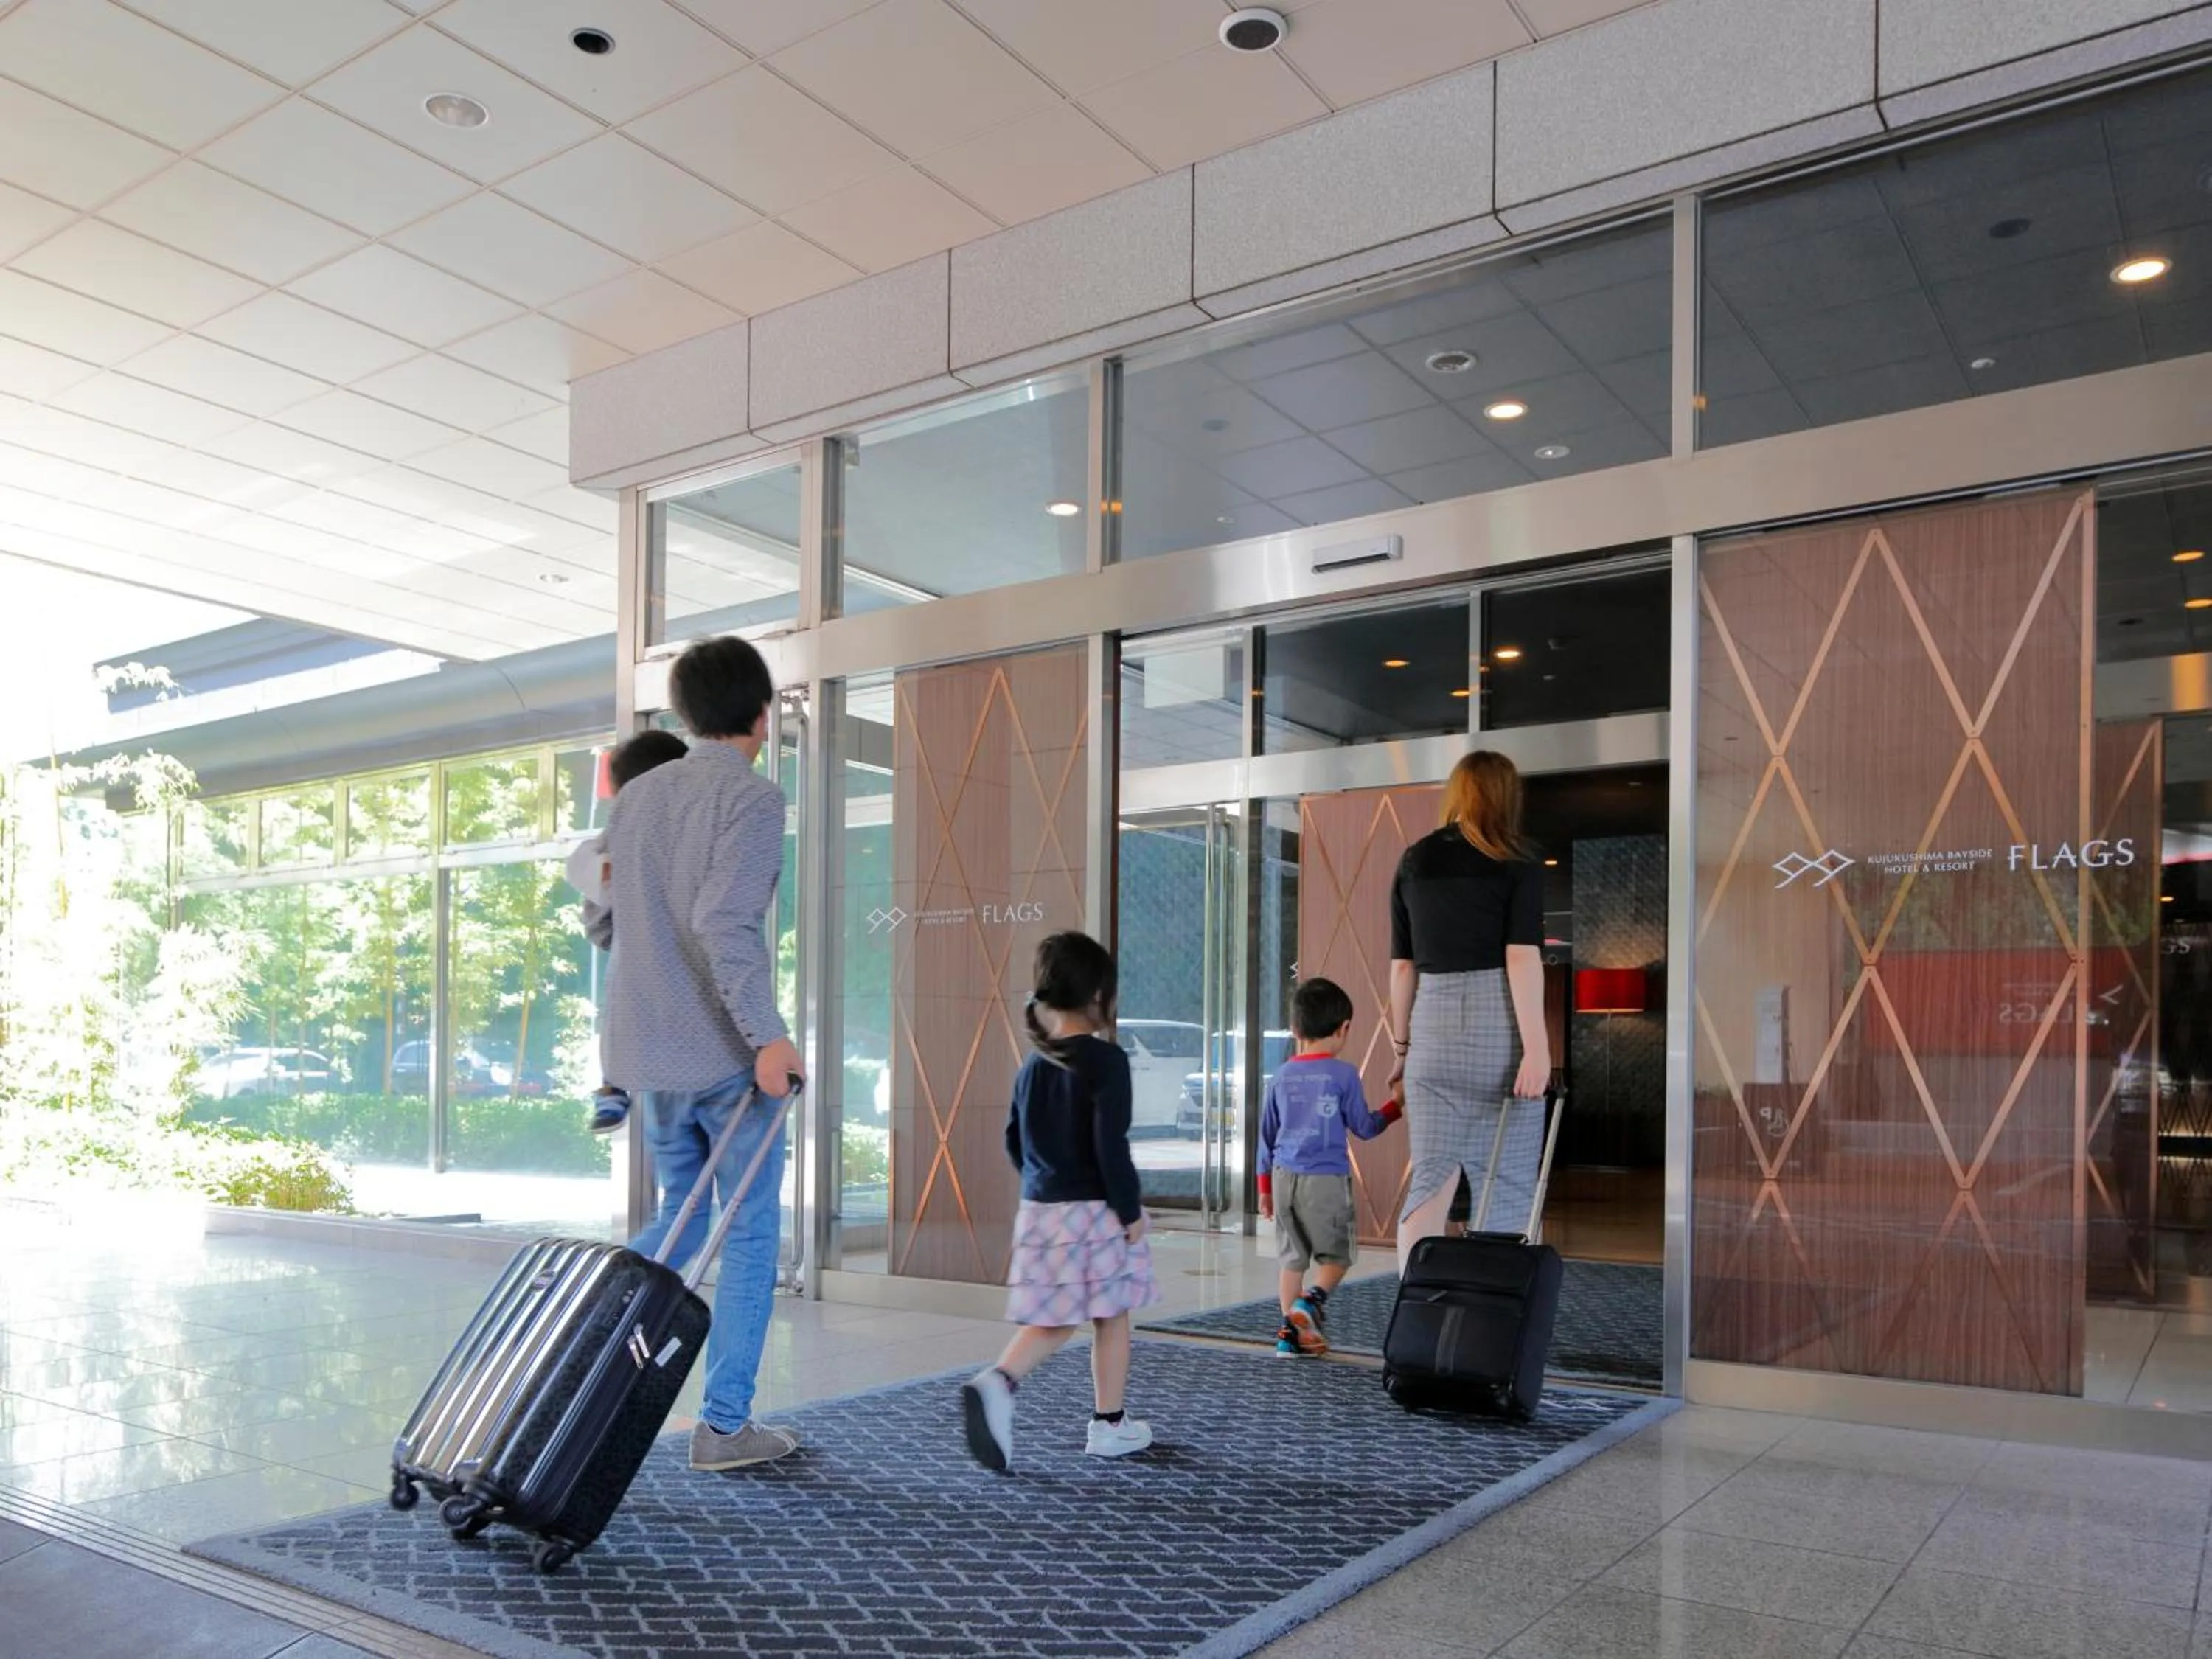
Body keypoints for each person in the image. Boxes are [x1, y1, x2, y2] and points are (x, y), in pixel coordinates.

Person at [588, 635, 806, 1473]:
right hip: (721, 1054)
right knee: (748, 1233)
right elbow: (726, 925)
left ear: (683, 713)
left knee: (684, 1207)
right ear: (762, 712)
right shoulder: (751, 801)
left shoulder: (636, 799)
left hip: (644, 1051)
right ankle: (722, 1428)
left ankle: (592, 1328)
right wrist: (768, 1039)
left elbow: (604, 923)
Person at [962, 933, 1158, 1472]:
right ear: (1100, 994)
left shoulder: (1035, 1065)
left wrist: (1045, 1186)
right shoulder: (1106, 1061)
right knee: (1110, 1316)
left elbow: (1012, 1140)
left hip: (1041, 1209)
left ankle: (1002, 1382)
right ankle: (1106, 1423)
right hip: (1092, 1211)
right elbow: (1109, 1145)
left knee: (1057, 1317)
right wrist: (1129, 1210)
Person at [1386, 751, 1553, 1274]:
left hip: (1430, 1030)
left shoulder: (1413, 860)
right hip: (1497, 1030)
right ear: (1506, 796)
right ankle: (1494, 1318)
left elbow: (1402, 968)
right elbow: (1521, 956)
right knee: (1507, 1181)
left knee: (1431, 1179)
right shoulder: (1518, 859)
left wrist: (1402, 1050)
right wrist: (1538, 1048)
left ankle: (1417, 1306)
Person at [1257, 977, 1401, 1357]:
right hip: (1325, 1181)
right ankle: (1310, 1303)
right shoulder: (1343, 1075)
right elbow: (1366, 1128)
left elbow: (1265, 1137)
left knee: (1292, 1262)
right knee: (1337, 1259)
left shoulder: (1281, 1076)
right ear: (1344, 1028)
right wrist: (1397, 1107)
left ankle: (1290, 1336)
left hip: (1284, 1178)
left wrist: (1264, 1190)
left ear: (1294, 1030)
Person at [567, 728, 688, 1133]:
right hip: (670, 961)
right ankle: (614, 1084)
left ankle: (614, 1086)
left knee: (622, 1004)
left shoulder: (620, 837)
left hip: (639, 958)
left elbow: (597, 919)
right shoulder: (693, 831)